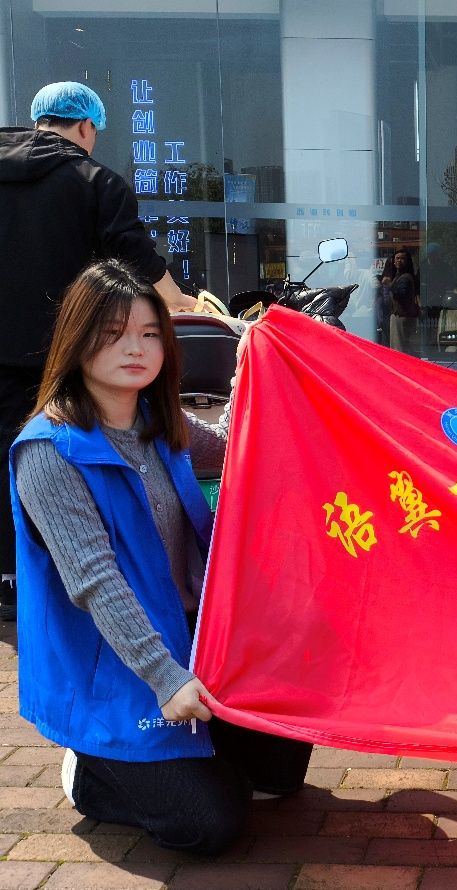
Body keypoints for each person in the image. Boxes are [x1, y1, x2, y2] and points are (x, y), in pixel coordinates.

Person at [10, 261, 311, 854]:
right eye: (114, 333)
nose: (136, 348)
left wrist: (255, 366)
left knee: (280, 773)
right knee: (209, 824)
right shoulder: (49, 452)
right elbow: (96, 583)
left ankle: (190, 758)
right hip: (119, 666)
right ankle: (92, 772)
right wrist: (167, 679)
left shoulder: (158, 420)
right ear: (76, 340)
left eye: (150, 333)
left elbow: (238, 446)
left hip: (189, 639)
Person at [0, 82, 198, 622]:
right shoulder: (95, 181)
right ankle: (71, 578)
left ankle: (10, 582)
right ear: (87, 126)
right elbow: (134, 256)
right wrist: (179, 301)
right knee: (70, 462)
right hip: (64, 356)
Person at [385, 249, 420, 353]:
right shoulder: (399, 276)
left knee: (399, 348)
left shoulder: (405, 277)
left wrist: (389, 285)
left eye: (402, 258)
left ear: (407, 261)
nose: (399, 261)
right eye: (397, 258)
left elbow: (401, 295)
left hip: (402, 317)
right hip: (400, 316)